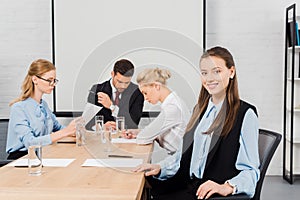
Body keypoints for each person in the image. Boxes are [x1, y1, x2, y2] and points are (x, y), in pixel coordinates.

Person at [133, 46, 260, 200]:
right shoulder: (200, 110)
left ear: (231, 72)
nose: (210, 78)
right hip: (188, 185)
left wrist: (226, 187)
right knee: (142, 187)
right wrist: (160, 167)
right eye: (204, 73)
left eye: (217, 71)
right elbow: (183, 155)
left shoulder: (245, 114)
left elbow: (251, 171)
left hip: (210, 193)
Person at [123, 68, 190, 177]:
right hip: (176, 161)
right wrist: (139, 132)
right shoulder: (173, 103)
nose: (145, 98)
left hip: (179, 165)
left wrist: (143, 134)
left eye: (145, 93)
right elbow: (152, 132)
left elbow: (143, 138)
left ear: (156, 86)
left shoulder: (172, 109)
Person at [6, 59, 77, 160]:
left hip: (43, 153)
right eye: (49, 80)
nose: (53, 84)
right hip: (22, 159)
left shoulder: (43, 105)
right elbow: (30, 143)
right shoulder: (18, 108)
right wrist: (65, 132)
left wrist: (75, 129)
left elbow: (58, 127)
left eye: (54, 80)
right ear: (35, 79)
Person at [87, 59, 144, 130]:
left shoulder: (137, 93)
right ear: (112, 74)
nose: (123, 86)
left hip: (125, 139)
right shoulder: (97, 90)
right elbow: (88, 124)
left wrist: (112, 107)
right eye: (119, 82)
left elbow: (133, 124)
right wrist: (102, 127)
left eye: (127, 83)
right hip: (102, 138)